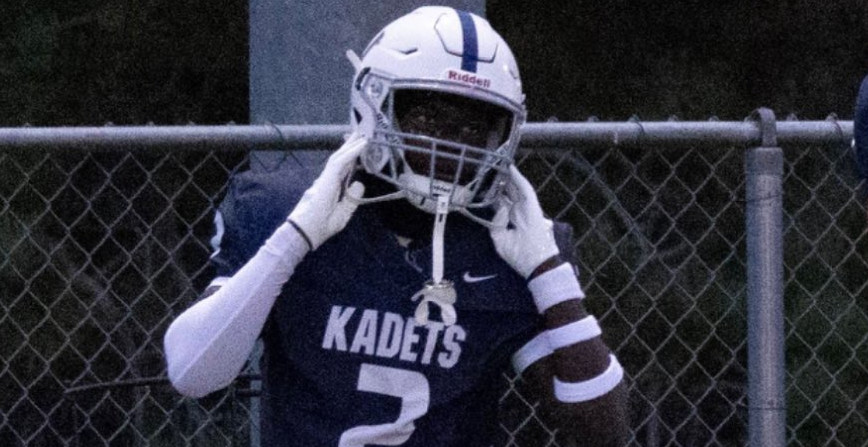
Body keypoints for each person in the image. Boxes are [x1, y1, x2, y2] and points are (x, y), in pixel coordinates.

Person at [164, 6, 628, 446]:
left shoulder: (510, 244)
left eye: (473, 128)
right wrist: (296, 237)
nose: (451, 145)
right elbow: (192, 374)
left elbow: (602, 433)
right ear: (375, 105)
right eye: (428, 118)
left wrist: (549, 273)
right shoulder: (282, 209)